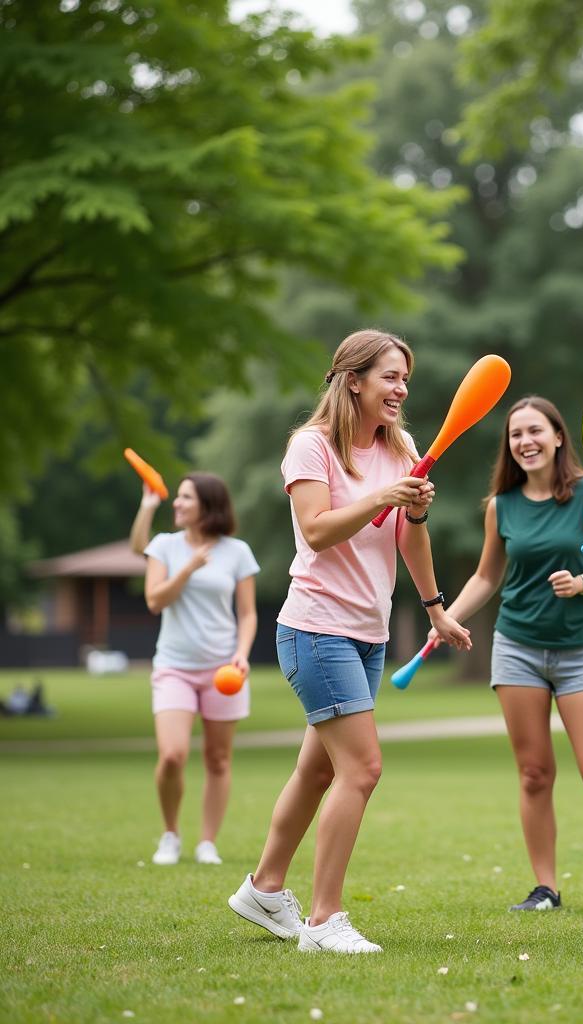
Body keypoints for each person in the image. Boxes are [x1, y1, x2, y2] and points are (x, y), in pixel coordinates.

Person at [228, 328, 471, 956]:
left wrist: (435, 606)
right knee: (361, 769)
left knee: (317, 771)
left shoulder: (401, 447)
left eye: (406, 379)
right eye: (391, 376)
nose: (401, 389)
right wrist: (384, 496)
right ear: (353, 379)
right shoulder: (311, 447)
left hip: (368, 634)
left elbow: (408, 536)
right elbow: (315, 531)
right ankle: (323, 921)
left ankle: (264, 888)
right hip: (315, 629)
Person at [430, 395, 583, 913]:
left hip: (581, 649)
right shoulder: (502, 506)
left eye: (535, 430)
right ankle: (547, 888)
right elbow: (487, 576)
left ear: (559, 437)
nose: (525, 441)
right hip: (516, 646)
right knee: (534, 774)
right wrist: (447, 616)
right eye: (516, 434)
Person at [130, 472, 259, 867]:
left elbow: (248, 613)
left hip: (223, 669)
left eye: (186, 497)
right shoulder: (165, 546)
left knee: (218, 760)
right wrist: (187, 569)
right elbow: (154, 600)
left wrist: (241, 653)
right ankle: (170, 834)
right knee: (172, 755)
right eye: (178, 497)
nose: (178, 503)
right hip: (174, 666)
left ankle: (207, 842)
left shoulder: (237, 551)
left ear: (208, 504)